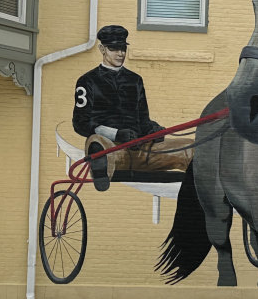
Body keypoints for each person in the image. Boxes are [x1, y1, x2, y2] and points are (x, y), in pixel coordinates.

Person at [73, 25, 192, 191]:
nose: (120, 53)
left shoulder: (135, 80)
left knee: (191, 149)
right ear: (102, 49)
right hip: (111, 146)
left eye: (122, 48)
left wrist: (152, 129)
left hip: (140, 150)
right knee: (98, 142)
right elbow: (80, 123)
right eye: (114, 49)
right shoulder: (87, 81)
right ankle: (100, 165)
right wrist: (116, 133)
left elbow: (143, 119)